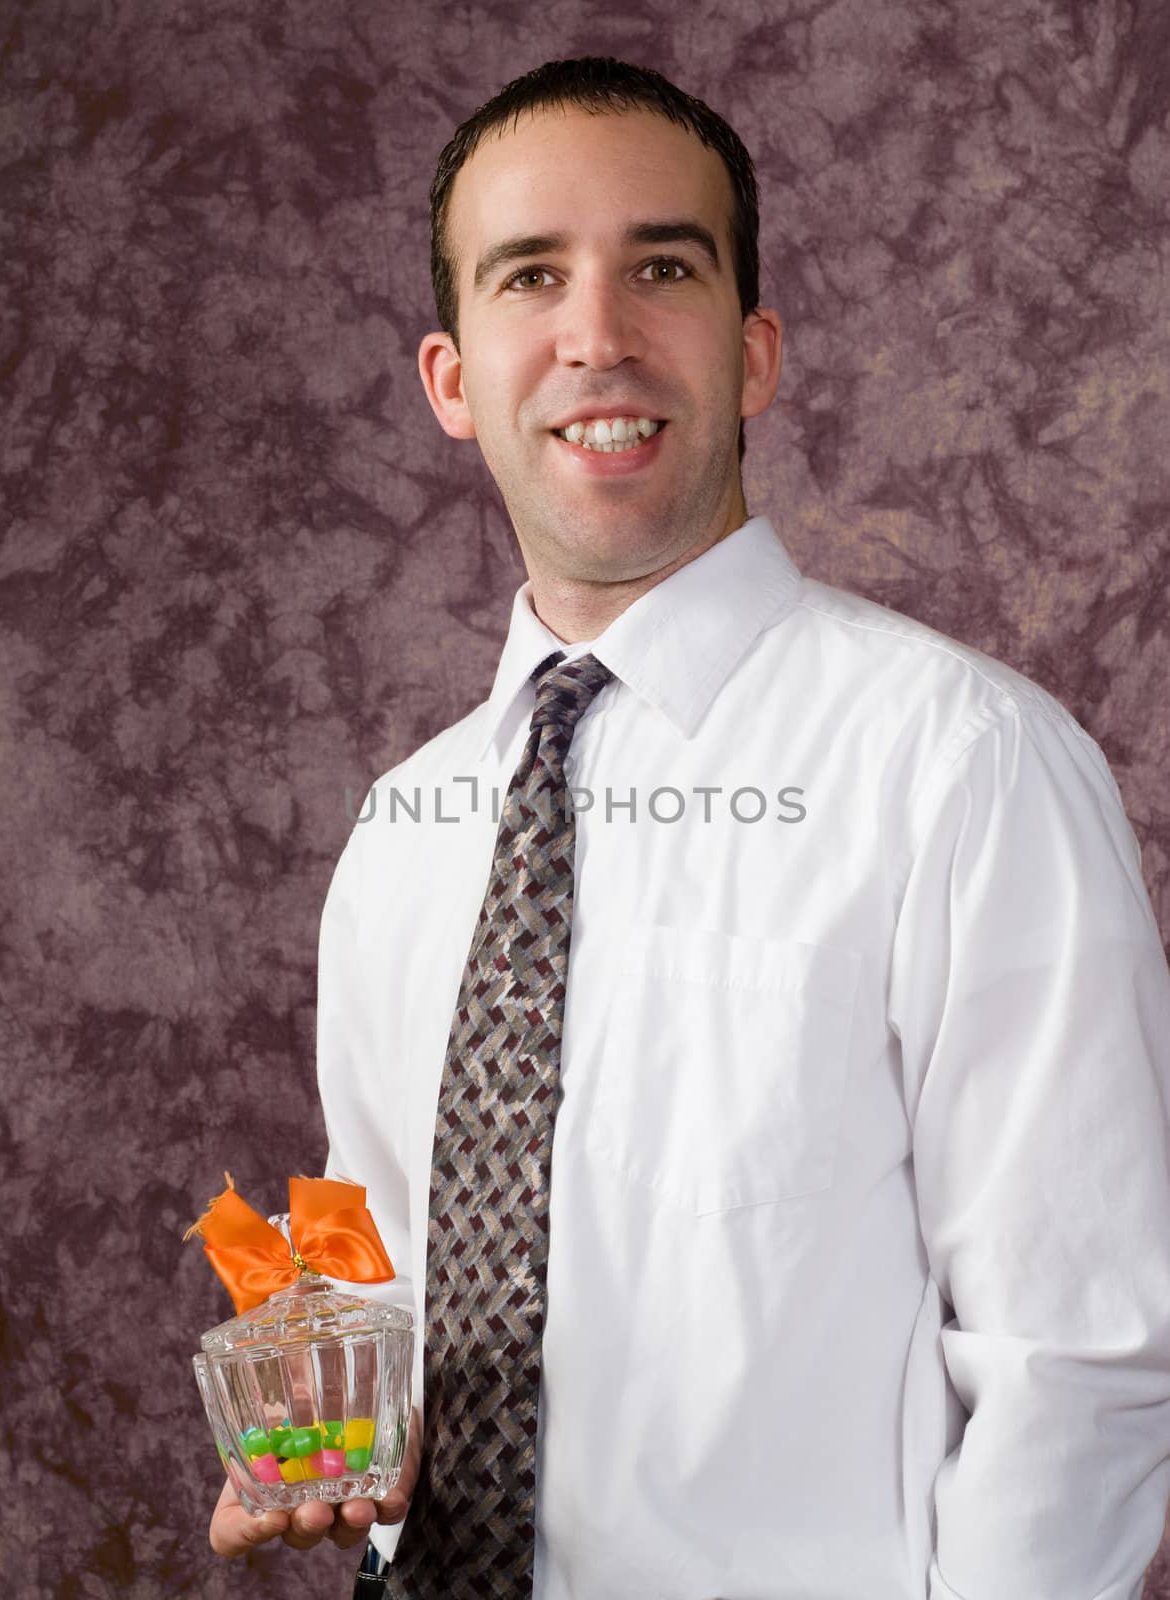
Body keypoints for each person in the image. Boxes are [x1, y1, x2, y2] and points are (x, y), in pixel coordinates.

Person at [209, 55, 1170, 1599]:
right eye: (532, 277)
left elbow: (1086, 1360)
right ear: (452, 382)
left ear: (753, 352)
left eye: (662, 267)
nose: (596, 337)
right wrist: (321, 1435)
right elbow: (374, 1237)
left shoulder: (963, 769)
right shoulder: (405, 829)